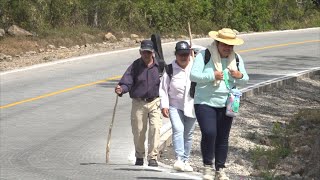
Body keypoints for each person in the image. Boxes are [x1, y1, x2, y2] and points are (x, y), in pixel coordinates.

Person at [190, 28, 249, 180]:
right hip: (204, 101)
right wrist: (212, 75)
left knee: (223, 137)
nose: (227, 48)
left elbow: (245, 79)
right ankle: (207, 166)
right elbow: (193, 75)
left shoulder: (236, 59)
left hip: (227, 102)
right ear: (217, 43)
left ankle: (220, 169)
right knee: (210, 133)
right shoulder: (205, 55)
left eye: (230, 45)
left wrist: (239, 75)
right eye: (224, 45)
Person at [115, 39, 162, 167]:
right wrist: (121, 89)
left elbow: (168, 83)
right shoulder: (135, 66)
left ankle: (152, 157)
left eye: (148, 52)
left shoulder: (160, 66)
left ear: (153, 53)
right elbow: (126, 82)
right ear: (140, 52)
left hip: (155, 101)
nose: (146, 55)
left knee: (155, 128)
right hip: (138, 102)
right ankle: (139, 156)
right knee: (139, 131)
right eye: (143, 52)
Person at [159, 41, 196, 172]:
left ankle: (186, 160)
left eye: (186, 54)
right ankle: (179, 159)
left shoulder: (196, 65)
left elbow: (205, 51)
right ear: (176, 54)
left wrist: (195, 52)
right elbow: (163, 89)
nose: (183, 57)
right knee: (178, 130)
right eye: (180, 54)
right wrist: (164, 105)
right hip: (175, 105)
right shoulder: (169, 69)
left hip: (191, 105)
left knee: (189, 133)